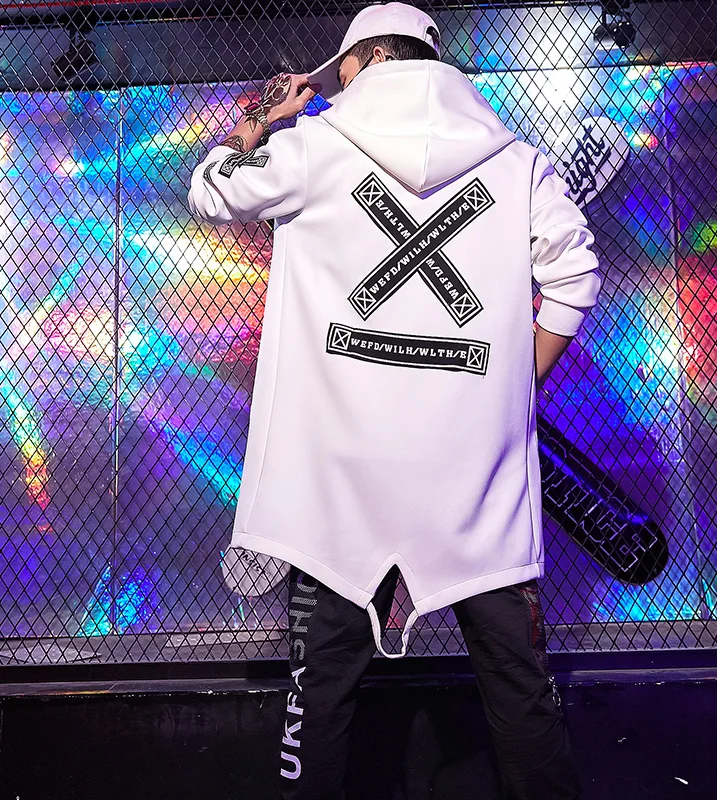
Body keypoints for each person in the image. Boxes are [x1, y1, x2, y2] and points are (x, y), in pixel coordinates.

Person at [188, 3, 601, 797]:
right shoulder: (519, 165)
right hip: (473, 481)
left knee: (322, 689)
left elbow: (212, 191)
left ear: (371, 58)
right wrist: (511, 387)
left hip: (342, 483)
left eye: (342, 67)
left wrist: (261, 123)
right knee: (519, 686)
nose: (337, 82)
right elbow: (575, 279)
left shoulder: (312, 148)